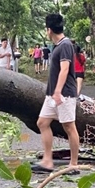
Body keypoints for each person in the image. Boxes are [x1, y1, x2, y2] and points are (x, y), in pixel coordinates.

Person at [34, 14, 79, 174]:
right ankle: (47, 161)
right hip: (52, 94)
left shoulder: (65, 45)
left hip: (64, 94)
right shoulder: (58, 46)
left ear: (49, 30)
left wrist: (58, 91)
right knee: (42, 123)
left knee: (69, 126)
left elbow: (65, 69)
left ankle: (73, 164)